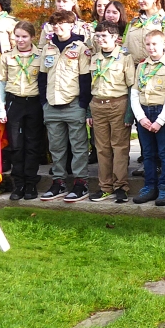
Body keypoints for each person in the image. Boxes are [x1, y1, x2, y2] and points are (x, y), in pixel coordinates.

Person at [37, 10, 92, 202]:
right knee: (56, 147)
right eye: (55, 24)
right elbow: (42, 77)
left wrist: (83, 105)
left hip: (73, 104)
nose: (58, 27)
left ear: (71, 25)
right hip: (52, 104)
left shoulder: (80, 48)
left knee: (78, 147)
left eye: (62, 24)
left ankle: (80, 183)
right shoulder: (47, 48)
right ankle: (58, 182)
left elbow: (85, 79)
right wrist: (44, 102)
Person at [0, 20, 43, 201]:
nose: (20, 40)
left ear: (32, 37)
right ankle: (18, 184)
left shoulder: (41, 55)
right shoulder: (7, 57)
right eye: (17, 36)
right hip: (14, 103)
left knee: (32, 144)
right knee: (16, 145)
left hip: (34, 103)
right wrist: (0, 108)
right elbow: (0, 83)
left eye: (24, 36)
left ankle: (31, 183)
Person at [130, 30, 165, 205]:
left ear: (164, 44)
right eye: (148, 44)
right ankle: (149, 186)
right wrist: (141, 118)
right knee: (148, 153)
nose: (151, 48)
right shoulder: (142, 66)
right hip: (144, 112)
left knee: (164, 153)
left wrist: (160, 121)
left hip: (161, 113)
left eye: (155, 44)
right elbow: (135, 93)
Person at [88, 21, 135, 203]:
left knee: (119, 147)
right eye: (97, 36)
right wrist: (88, 112)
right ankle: (105, 187)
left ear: (115, 37)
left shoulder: (125, 58)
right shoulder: (94, 58)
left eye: (104, 36)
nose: (100, 39)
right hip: (97, 106)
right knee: (102, 149)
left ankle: (121, 187)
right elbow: (89, 86)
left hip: (118, 105)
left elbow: (131, 87)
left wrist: (129, 113)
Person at [124, 0, 165, 64]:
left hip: (155, 69)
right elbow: (125, 47)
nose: (140, 1)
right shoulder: (134, 21)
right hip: (133, 68)